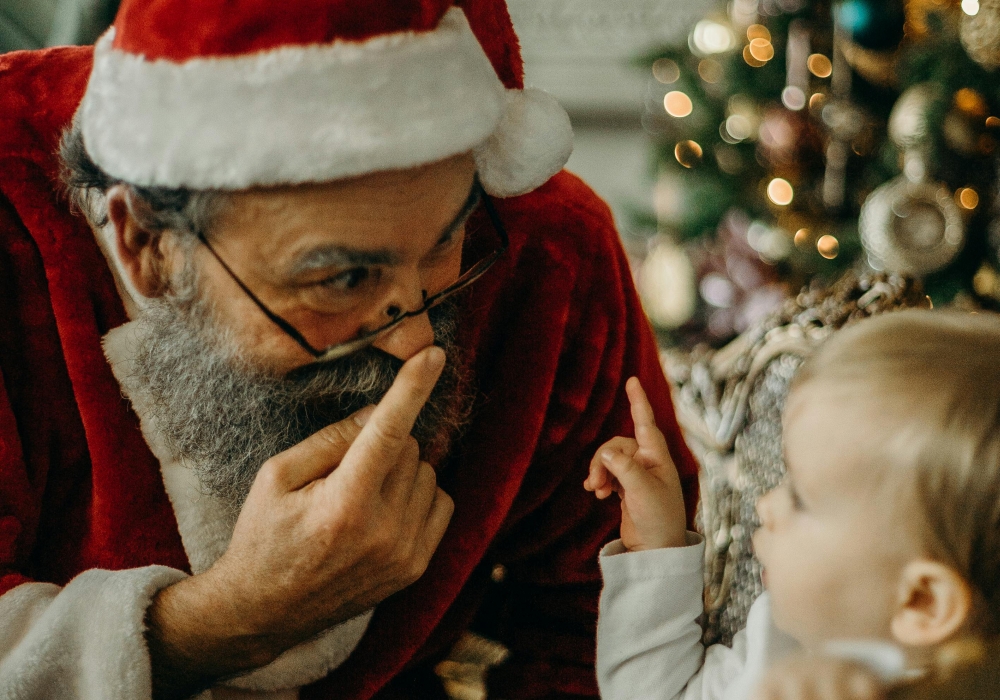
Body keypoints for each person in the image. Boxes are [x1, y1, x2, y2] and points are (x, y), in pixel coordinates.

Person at [0, 1, 701, 698]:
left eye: (444, 246)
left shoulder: (544, 243)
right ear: (146, 244)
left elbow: (595, 632)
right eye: (339, 279)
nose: (414, 342)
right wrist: (224, 622)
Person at [586, 309, 1000, 700]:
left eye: (801, 498)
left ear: (920, 600)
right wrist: (656, 545)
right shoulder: (786, 633)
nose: (766, 505)